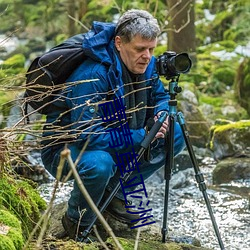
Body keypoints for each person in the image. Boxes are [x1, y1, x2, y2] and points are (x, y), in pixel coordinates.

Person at [41, 9, 185, 241]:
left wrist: (161, 114)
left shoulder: (145, 64)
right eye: (140, 49)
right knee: (100, 165)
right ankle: (76, 221)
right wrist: (142, 135)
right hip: (68, 148)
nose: (147, 56)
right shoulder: (93, 74)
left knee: (175, 132)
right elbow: (87, 135)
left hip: (116, 132)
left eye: (151, 49)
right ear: (119, 43)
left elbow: (159, 96)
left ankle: (115, 193)